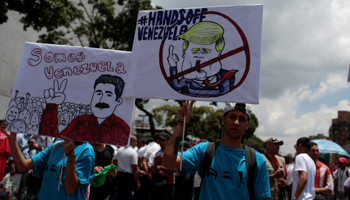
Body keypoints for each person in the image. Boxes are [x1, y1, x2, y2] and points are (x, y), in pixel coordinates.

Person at [162, 101, 270, 200]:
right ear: (223, 120)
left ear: (248, 125)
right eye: (232, 117)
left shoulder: (257, 160)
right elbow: (169, 162)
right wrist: (182, 123)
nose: (236, 122)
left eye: (242, 119)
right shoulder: (204, 150)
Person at [1, 122, 95, 200]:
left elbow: (70, 189)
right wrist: (13, 139)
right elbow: (23, 166)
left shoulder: (87, 150)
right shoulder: (58, 144)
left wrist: (71, 155)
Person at [39, 74, 130, 146]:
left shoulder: (123, 129)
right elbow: (58, 140)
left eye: (108, 95)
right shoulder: (80, 122)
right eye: (98, 93)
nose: (101, 100)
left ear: (118, 101)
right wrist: (51, 106)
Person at [167, 21, 238, 97]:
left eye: (205, 51)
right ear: (184, 53)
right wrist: (173, 66)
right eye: (194, 51)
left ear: (219, 54)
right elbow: (176, 86)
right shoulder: (187, 80)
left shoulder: (226, 78)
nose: (199, 55)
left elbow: (225, 95)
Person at [148, 133, 177, 200]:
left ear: (169, 141)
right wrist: (162, 173)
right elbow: (149, 169)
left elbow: (174, 169)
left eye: (163, 140)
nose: (161, 142)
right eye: (160, 140)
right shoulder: (154, 154)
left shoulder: (173, 154)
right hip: (155, 184)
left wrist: (159, 167)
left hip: (169, 184)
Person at [115, 135, 141, 200]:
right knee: (127, 195)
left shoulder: (119, 150)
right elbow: (134, 169)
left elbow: (115, 162)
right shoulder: (133, 152)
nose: (136, 143)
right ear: (132, 141)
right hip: (128, 177)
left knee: (120, 195)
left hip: (119, 175)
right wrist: (138, 182)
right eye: (136, 141)